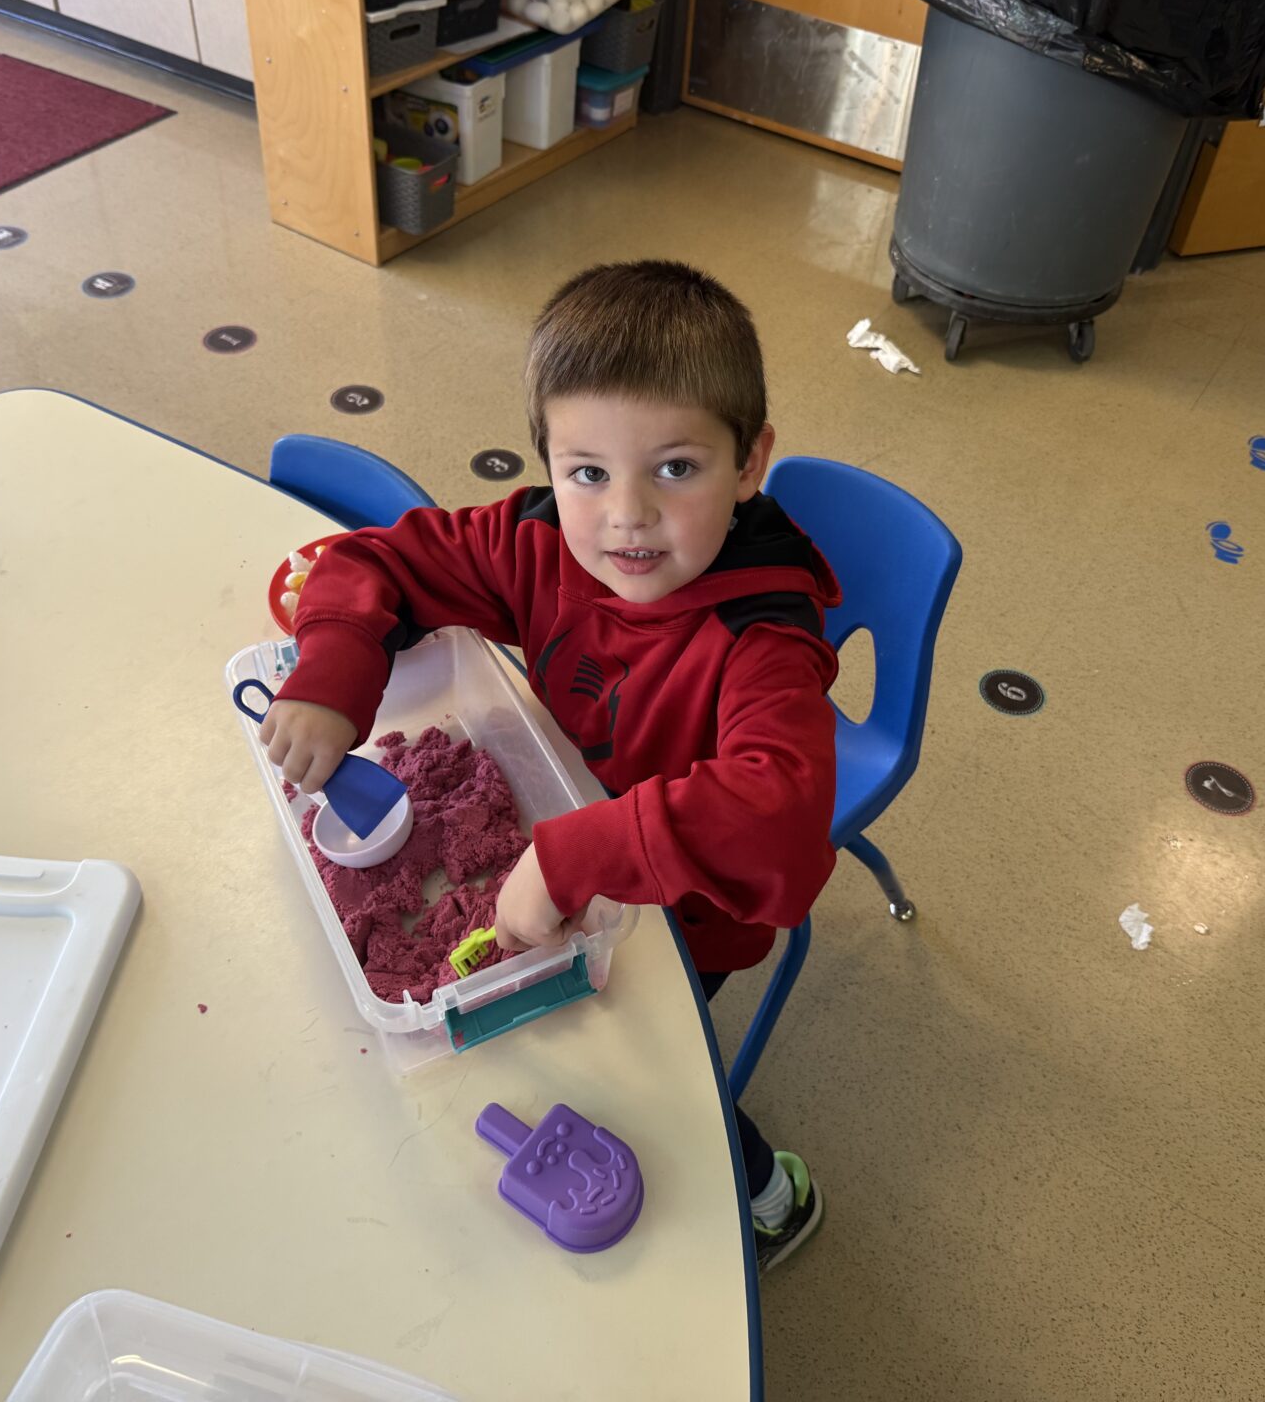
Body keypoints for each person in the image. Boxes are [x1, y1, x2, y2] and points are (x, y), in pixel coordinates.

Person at [259, 260, 838, 1272]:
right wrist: (333, 668)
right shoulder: (539, 544)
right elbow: (376, 562)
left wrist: (572, 860)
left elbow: (782, 821)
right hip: (562, 840)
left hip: (684, 920)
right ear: (548, 464)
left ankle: (768, 1194)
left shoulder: (764, 642)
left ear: (750, 464)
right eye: (588, 472)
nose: (626, 518)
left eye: (675, 468)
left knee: (657, 1092)